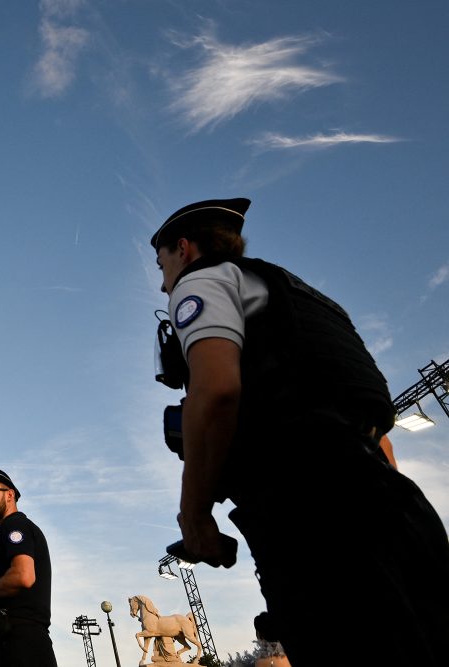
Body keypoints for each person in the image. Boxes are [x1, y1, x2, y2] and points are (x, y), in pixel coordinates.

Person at [150, 198, 449, 665]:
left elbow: (216, 390)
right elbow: (376, 430)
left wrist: (195, 516)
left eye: (162, 261)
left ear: (184, 249)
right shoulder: (308, 300)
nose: (162, 277)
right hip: (396, 503)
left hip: (305, 510)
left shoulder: (204, 282)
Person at [0, 467, 57, 667]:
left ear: (10, 495)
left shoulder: (14, 525)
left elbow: (24, 576)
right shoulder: (12, 529)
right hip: (22, 643)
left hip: (22, 644)